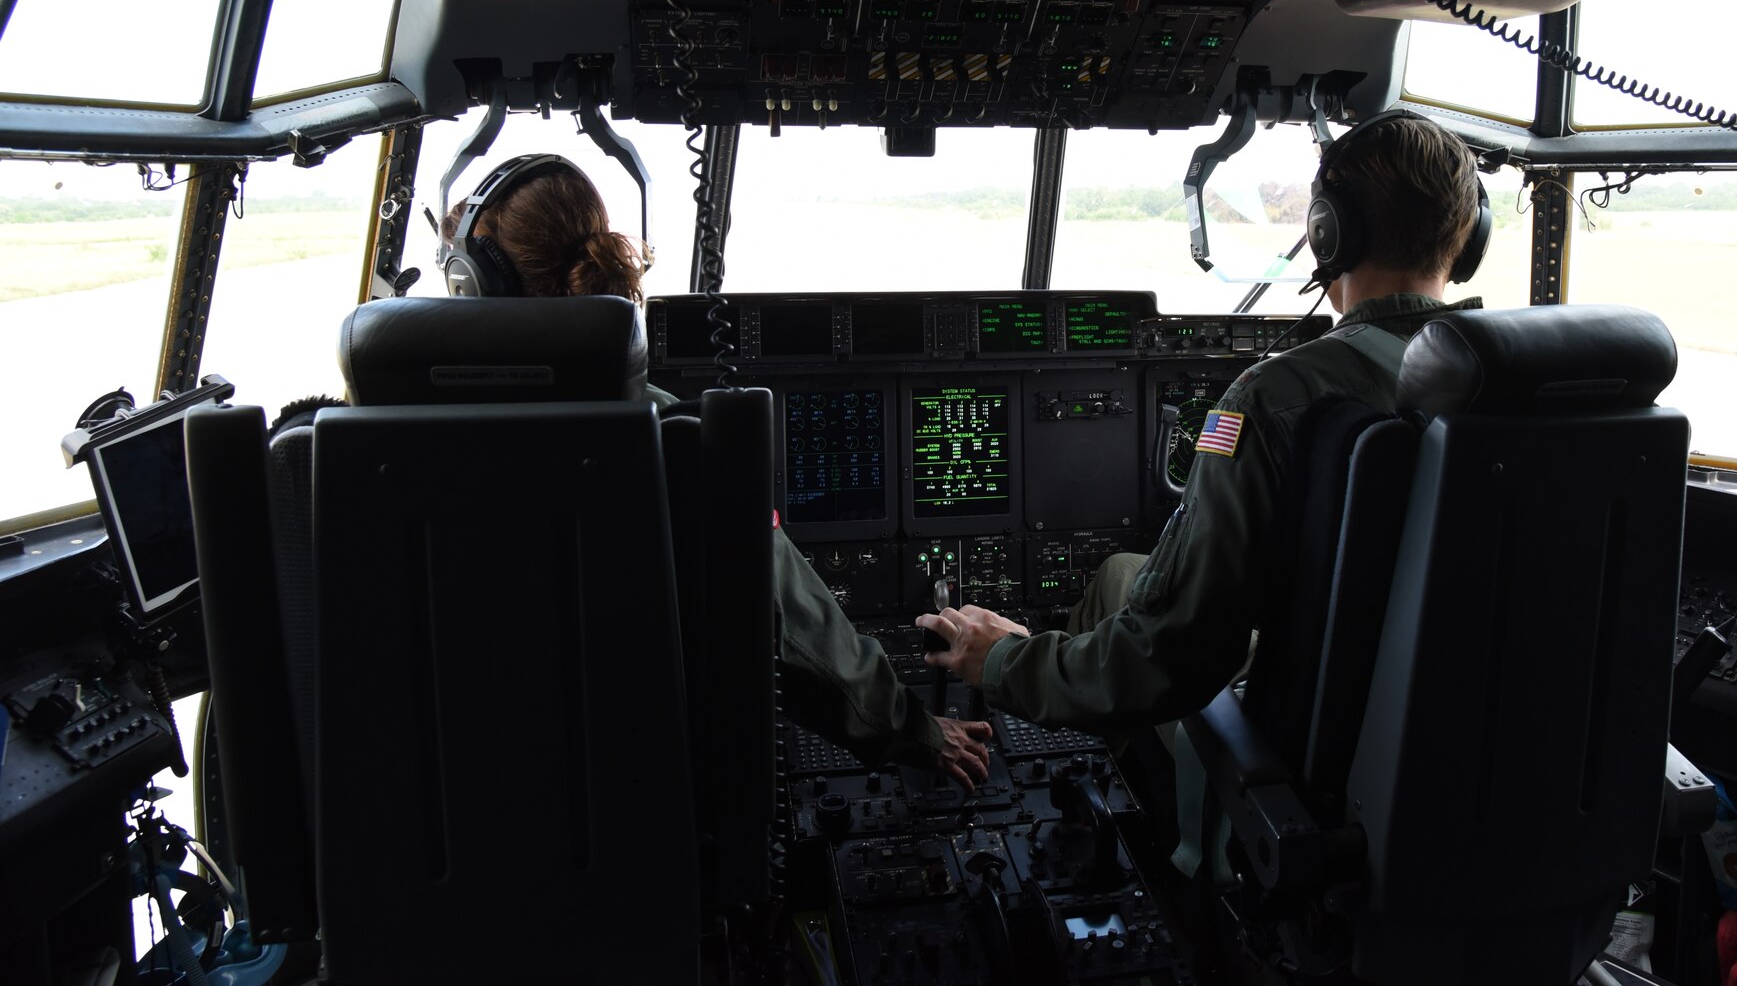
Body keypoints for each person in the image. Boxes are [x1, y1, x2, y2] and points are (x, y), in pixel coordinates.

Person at [917, 110, 1487, 734]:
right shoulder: (1509, 377)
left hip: (1311, 733)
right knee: (1118, 573)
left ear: (1329, 233)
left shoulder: (1269, 399)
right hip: (1453, 711)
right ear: (1467, 238)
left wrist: (1003, 658)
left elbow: (1173, 659)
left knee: (1131, 605)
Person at [441, 156, 993, 789]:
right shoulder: (666, 441)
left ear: (474, 286)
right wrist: (918, 729)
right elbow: (793, 630)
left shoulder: (350, 444)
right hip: (642, 793)